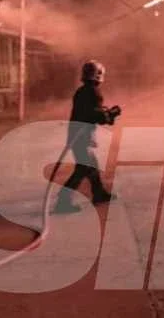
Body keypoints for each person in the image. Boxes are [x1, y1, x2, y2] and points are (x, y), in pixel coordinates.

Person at [53, 60, 119, 213]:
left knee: (92, 165)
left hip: (77, 134)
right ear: (98, 75)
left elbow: (91, 112)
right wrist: (110, 115)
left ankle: (99, 193)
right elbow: (95, 115)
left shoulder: (82, 90)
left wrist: (107, 114)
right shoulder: (94, 92)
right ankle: (63, 201)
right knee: (83, 168)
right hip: (81, 136)